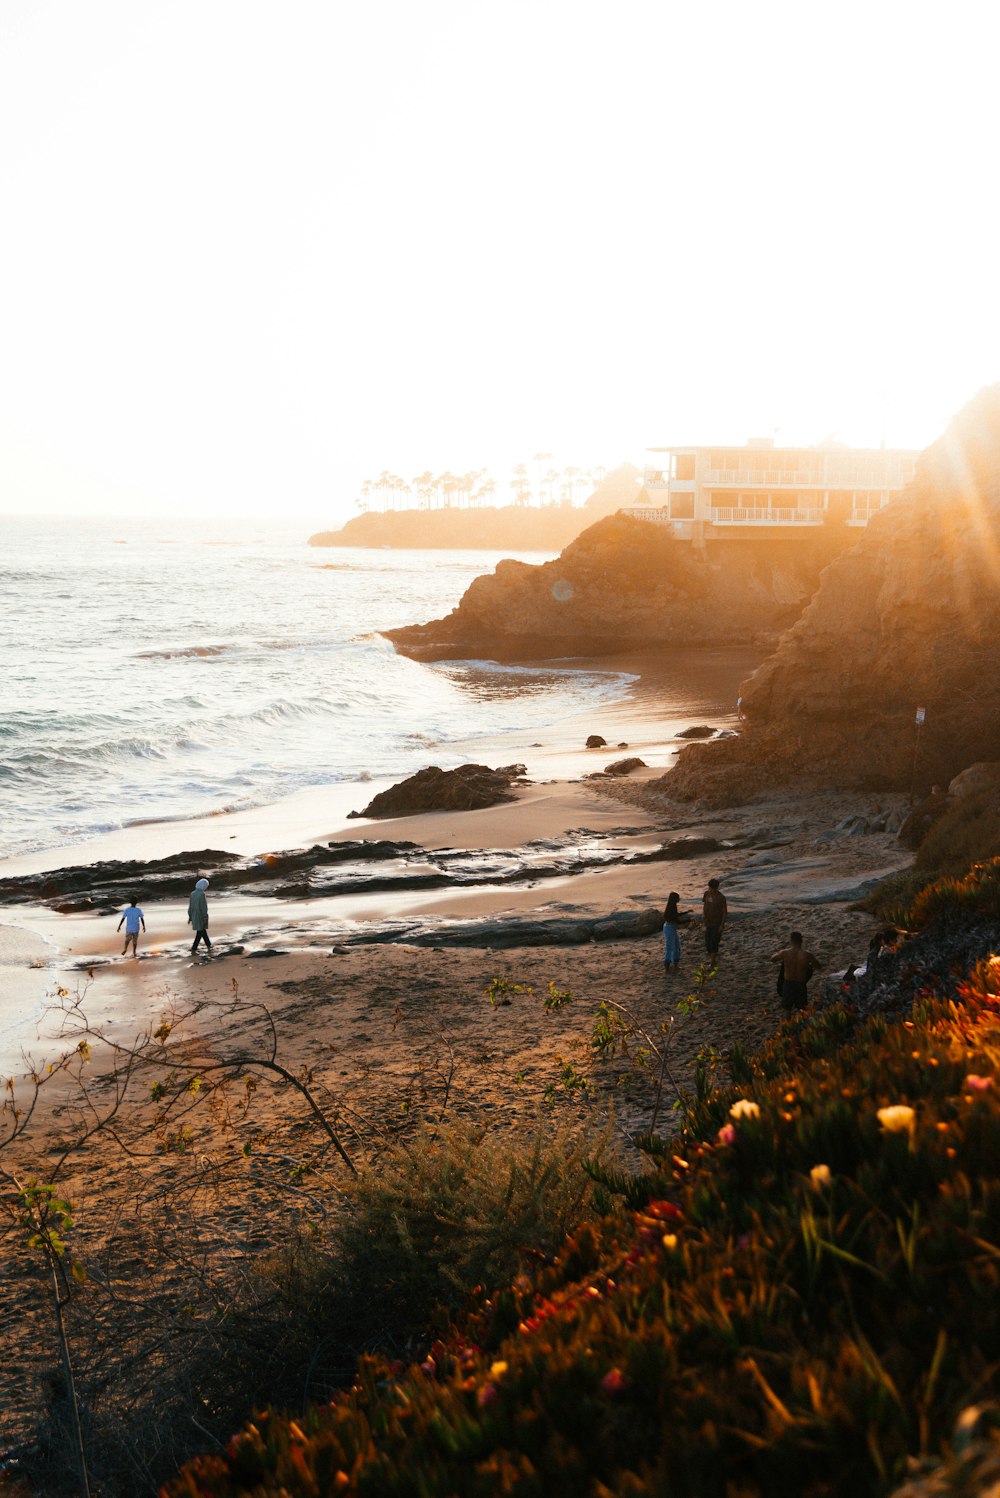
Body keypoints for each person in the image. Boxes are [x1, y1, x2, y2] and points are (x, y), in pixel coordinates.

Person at [771, 931, 819, 1012]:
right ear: (801, 940)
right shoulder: (807, 954)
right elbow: (818, 966)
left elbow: (772, 959)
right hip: (801, 983)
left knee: (787, 1009)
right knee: (802, 1008)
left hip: (788, 983)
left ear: (791, 941)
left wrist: (778, 953)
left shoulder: (785, 953)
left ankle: (788, 1023)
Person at [702, 877, 728, 957]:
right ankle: (713, 956)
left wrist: (722, 925)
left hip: (717, 923)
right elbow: (705, 905)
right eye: (709, 888)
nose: (710, 890)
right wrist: (703, 916)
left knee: (714, 942)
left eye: (712, 888)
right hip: (707, 922)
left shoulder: (721, 897)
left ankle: (713, 961)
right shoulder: (706, 894)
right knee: (707, 942)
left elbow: (724, 912)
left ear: (716, 888)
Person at [188, 877, 212, 955]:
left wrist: (190, 916)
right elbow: (203, 906)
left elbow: (190, 906)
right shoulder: (202, 894)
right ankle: (194, 948)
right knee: (200, 931)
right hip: (200, 915)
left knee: (202, 931)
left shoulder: (192, 893)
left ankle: (209, 945)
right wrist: (205, 916)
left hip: (194, 914)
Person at [662, 891, 682, 970]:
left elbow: (675, 916)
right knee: (670, 948)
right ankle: (667, 966)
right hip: (670, 928)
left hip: (670, 927)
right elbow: (677, 920)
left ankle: (675, 964)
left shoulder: (671, 906)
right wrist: (689, 920)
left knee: (676, 946)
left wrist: (686, 912)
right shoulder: (672, 907)